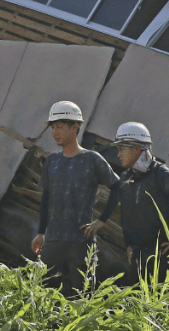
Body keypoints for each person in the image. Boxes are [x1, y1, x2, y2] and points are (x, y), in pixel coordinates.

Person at [31, 101, 120, 296]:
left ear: (75, 128)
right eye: (53, 128)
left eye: (60, 127)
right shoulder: (52, 162)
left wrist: (101, 221)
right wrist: (40, 233)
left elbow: (118, 187)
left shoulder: (92, 159)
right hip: (53, 242)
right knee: (44, 297)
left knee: (79, 298)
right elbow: (46, 199)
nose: (55, 132)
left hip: (81, 243)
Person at [88, 122, 169, 281]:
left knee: (159, 298)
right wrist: (129, 244)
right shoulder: (125, 178)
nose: (118, 155)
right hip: (137, 254)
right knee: (137, 298)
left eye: (122, 149)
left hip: (162, 252)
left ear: (136, 148)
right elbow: (127, 215)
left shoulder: (160, 173)